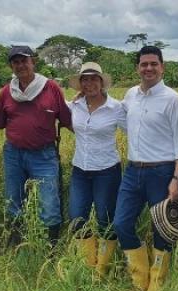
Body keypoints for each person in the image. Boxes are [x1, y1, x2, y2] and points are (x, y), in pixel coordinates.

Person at [113, 46, 178, 291]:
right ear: (138, 68)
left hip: (162, 171)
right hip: (133, 170)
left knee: (161, 229)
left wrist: (176, 177)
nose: (148, 69)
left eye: (153, 64)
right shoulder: (131, 95)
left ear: (162, 67)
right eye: (144, 64)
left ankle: (157, 282)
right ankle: (139, 276)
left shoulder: (172, 99)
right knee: (121, 223)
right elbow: (120, 119)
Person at [0, 45, 71, 248]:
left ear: (33, 62)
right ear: (11, 66)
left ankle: (50, 248)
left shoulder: (51, 88)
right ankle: (17, 245)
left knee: (49, 203)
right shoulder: (7, 92)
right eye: (16, 62)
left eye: (24, 60)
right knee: (13, 201)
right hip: (13, 154)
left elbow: (67, 120)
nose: (21, 65)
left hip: (44, 154)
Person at [66, 62, 126, 276]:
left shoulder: (116, 107)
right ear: (80, 84)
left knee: (105, 218)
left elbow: (137, 129)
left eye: (94, 79)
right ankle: (88, 265)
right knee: (76, 216)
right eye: (85, 79)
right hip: (80, 170)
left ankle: (103, 268)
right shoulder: (74, 106)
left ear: (101, 82)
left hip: (107, 171)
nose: (89, 83)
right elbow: (50, 106)